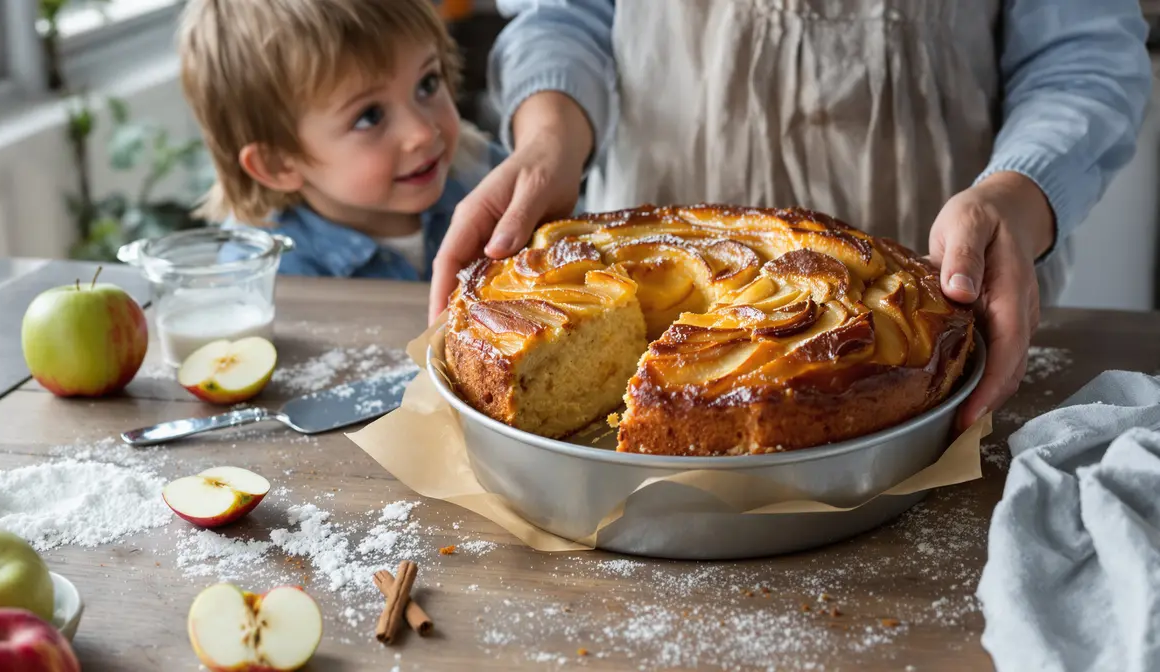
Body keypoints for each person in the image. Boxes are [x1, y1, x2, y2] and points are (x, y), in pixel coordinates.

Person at [429, 0, 1153, 430]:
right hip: (632, 245)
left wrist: (1016, 200)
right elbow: (562, 12)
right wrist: (549, 140)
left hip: (933, 273)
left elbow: (1083, 54)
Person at [177, 0, 506, 281]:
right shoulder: (265, 274)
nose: (422, 132)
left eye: (427, 83)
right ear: (278, 164)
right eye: (370, 116)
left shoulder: (476, 167)